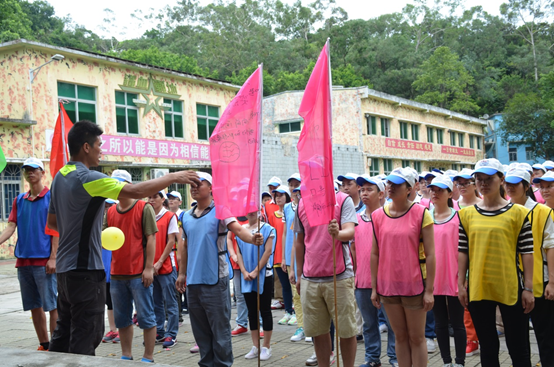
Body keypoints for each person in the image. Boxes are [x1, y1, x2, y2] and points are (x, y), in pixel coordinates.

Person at [46, 120, 201, 356]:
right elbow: (137, 192)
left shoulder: (59, 176)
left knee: (63, 333)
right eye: (99, 144)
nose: (102, 149)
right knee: (86, 336)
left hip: (65, 272)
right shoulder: (88, 178)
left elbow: (53, 224)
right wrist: (173, 177)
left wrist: (80, 226)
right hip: (85, 271)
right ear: (86, 147)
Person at [176, 172, 263, 367]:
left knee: (220, 331)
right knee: (200, 331)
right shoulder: (186, 216)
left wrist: (252, 238)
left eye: (200, 184)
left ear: (212, 189)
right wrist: (182, 274)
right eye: (192, 185)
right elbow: (185, 246)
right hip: (193, 282)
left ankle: (223, 364)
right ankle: (206, 363)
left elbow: (239, 230)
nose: (194, 187)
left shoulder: (221, 211)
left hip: (216, 281)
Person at [458, 158, 535, 367]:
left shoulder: (518, 213)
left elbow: (527, 252)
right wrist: (460, 285)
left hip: (510, 287)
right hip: (478, 288)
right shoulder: (466, 215)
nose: (483, 183)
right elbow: (463, 250)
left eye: (489, 178)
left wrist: (528, 288)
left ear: (501, 179)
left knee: (519, 348)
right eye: (479, 179)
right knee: (488, 348)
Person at [371, 167, 435, 367]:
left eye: (396, 184)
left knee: (417, 337)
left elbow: (431, 254)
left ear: (409, 188)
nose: (390, 187)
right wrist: (374, 288)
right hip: (388, 285)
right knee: (399, 336)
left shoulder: (421, 213)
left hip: (414, 284)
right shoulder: (378, 215)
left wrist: (430, 290)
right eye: (389, 183)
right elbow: (374, 253)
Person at [295, 185, 358, 367]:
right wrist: (299, 275)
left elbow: (350, 231)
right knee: (318, 332)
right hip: (310, 276)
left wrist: (337, 233)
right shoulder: (302, 204)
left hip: (339, 276)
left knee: (346, 330)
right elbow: (299, 241)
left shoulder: (342, 200)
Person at [0, 157, 58, 351]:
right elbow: (10, 227)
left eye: (34, 169)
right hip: (23, 261)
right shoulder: (19, 200)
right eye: (26, 170)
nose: (30, 173)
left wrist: (53, 257)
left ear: (42, 173)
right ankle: (44, 343)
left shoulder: (51, 198)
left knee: (51, 305)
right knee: (34, 305)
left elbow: (56, 229)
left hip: (44, 261)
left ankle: (57, 345)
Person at [104, 169, 158, 362]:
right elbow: (106, 238)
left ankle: (148, 356)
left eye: (120, 184)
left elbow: (151, 238)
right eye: (113, 185)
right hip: (117, 274)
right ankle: (126, 355)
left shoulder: (144, 208)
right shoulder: (110, 211)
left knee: (146, 317)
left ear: (129, 186)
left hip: (138, 273)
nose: (116, 189)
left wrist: (149, 268)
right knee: (121, 318)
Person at [351, 174, 398, 367]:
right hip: (362, 280)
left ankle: (395, 357)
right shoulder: (355, 220)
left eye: (369, 189)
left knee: (393, 323)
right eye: (362, 189)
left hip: (386, 281)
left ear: (381, 193)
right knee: (369, 324)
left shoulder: (389, 218)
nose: (364, 193)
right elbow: (353, 248)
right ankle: (372, 358)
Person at [512, 169, 554, 367]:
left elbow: (550, 246)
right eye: (507, 184)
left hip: (539, 280)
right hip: (512, 282)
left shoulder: (543, 212)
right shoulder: (504, 210)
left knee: (545, 335)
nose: (510, 188)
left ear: (526, 187)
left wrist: (552, 282)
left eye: (516, 184)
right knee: (518, 336)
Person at [427, 174, 466, 367]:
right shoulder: (426, 218)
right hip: (434, 279)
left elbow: (465, 249)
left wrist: (464, 277)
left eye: (440, 190)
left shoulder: (459, 217)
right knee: (440, 324)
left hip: (454, 277)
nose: (435, 193)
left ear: (450, 193)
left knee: (458, 323)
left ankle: (460, 361)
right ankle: (446, 361)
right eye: (432, 190)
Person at [236, 210, 276, 361]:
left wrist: (255, 271)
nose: (251, 213)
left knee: (265, 310)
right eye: (248, 210)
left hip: (263, 276)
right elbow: (239, 252)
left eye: (254, 210)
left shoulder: (268, 229)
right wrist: (244, 271)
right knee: (251, 312)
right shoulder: (241, 230)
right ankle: (255, 346)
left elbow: (267, 252)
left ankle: (266, 346)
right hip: (247, 276)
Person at [148, 190, 180, 348]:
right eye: (149, 197)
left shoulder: (170, 216)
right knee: (155, 302)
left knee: (171, 303)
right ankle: (159, 331)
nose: (152, 199)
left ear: (162, 199)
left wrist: (160, 262)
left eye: (155, 196)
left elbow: (171, 241)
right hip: (151, 266)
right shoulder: (147, 216)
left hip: (166, 266)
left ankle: (171, 334)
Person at [268, 185, 295, 325]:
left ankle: (296, 312)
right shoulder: (272, 215)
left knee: (293, 285)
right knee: (284, 285)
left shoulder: (291, 211)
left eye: (281, 195)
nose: (278, 198)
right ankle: (288, 311)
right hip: (277, 255)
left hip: (290, 254)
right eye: (276, 196)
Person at [283, 175, 304, 341]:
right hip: (291, 256)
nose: (294, 189)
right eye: (291, 186)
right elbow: (285, 233)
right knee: (295, 294)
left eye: (297, 185)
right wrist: (284, 258)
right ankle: (301, 326)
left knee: (308, 294)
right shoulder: (287, 208)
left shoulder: (307, 207)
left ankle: (311, 327)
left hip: (306, 255)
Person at [101, 199, 119, 344]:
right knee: (109, 300)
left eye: (110, 206)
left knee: (120, 300)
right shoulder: (100, 225)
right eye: (105, 206)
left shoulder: (119, 222)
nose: (107, 209)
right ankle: (113, 329)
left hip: (119, 268)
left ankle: (121, 328)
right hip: (104, 269)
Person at [167, 191, 185, 323]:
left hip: (179, 253)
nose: (171, 201)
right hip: (169, 253)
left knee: (177, 284)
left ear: (180, 202)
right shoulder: (166, 215)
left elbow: (181, 238)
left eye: (174, 199)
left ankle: (177, 314)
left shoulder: (183, 216)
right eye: (169, 199)